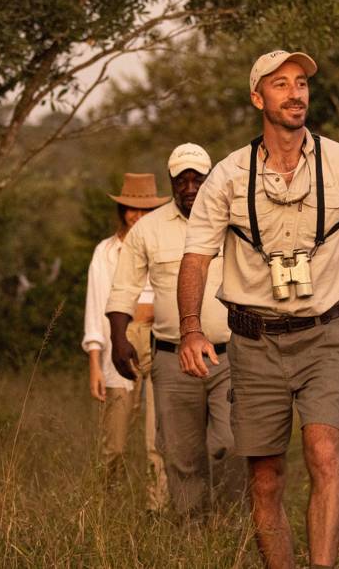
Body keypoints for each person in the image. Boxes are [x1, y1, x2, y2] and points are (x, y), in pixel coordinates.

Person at [176, 50, 339, 569]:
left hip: (326, 333)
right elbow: (194, 258)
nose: (295, 93)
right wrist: (189, 329)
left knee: (325, 453)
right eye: (280, 85)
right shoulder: (227, 176)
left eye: (301, 84)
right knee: (267, 475)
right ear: (258, 98)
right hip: (254, 340)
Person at [105, 144, 243, 516]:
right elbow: (123, 289)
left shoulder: (232, 221)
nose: (189, 186)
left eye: (197, 178)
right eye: (181, 179)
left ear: (210, 179)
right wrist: (119, 340)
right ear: (171, 182)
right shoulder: (148, 229)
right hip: (171, 358)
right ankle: (192, 535)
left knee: (230, 444)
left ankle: (232, 526)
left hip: (229, 355)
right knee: (181, 454)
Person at [81, 172, 170, 510]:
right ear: (122, 210)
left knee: (157, 437)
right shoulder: (106, 252)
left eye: (145, 210)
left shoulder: (162, 245)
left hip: (159, 335)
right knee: (114, 442)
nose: (137, 216)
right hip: (120, 338)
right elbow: (96, 305)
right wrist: (95, 362)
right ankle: (106, 502)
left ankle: (157, 508)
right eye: (132, 209)